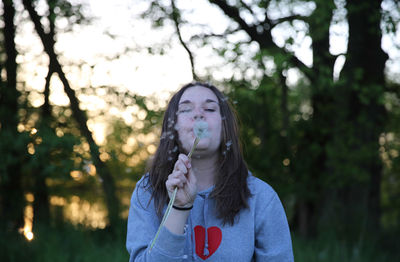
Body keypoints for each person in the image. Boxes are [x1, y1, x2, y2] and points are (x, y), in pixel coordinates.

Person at [126, 82, 294, 261]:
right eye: (185, 109)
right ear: (172, 127)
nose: (198, 114)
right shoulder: (147, 192)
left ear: (225, 126)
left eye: (210, 109)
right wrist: (178, 208)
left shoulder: (260, 197)